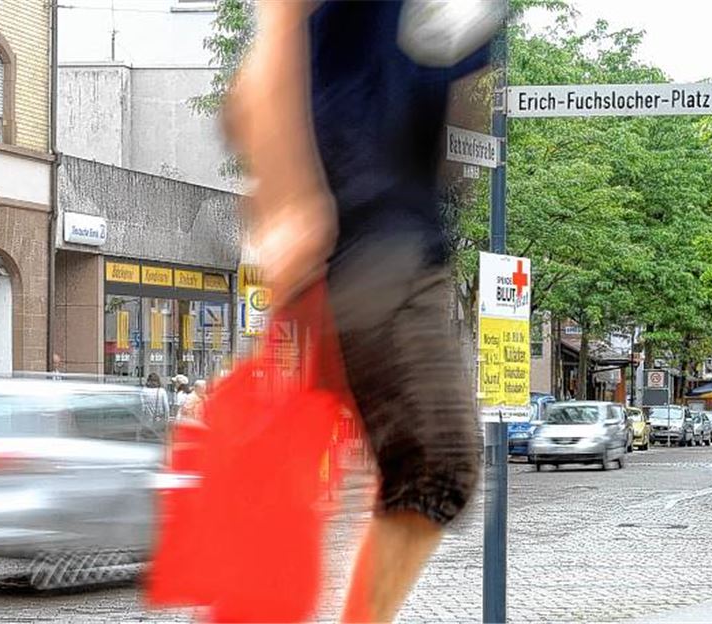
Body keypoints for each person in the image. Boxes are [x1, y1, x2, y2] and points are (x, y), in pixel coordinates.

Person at [223, 2, 499, 621]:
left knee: (392, 467)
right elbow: (271, 45)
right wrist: (289, 199)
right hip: (359, 240)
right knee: (435, 461)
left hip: (403, 242)